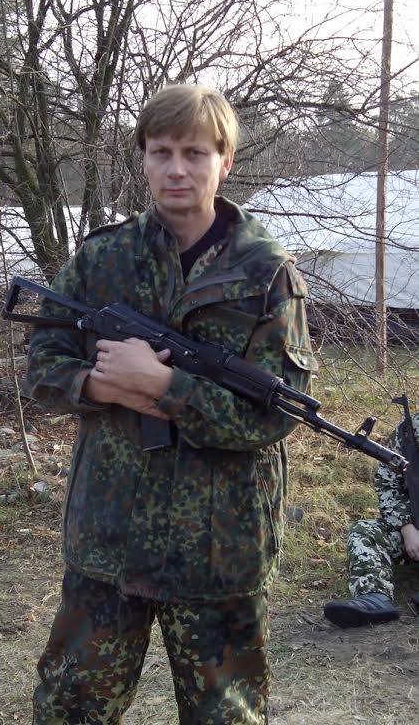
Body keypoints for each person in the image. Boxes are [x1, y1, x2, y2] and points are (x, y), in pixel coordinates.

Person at [27, 84, 316, 724]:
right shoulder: (103, 258)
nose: (177, 169)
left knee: (225, 716)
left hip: (222, 545)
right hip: (109, 535)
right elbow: (42, 365)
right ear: (144, 159)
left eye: (195, 153)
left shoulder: (267, 273)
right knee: (71, 708)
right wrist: (102, 384)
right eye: (161, 152)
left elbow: (276, 414)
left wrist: (165, 388)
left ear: (225, 161)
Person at [323, 410, 419, 629]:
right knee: (364, 532)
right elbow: (387, 484)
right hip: (414, 529)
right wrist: (407, 527)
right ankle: (374, 597)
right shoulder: (410, 430)